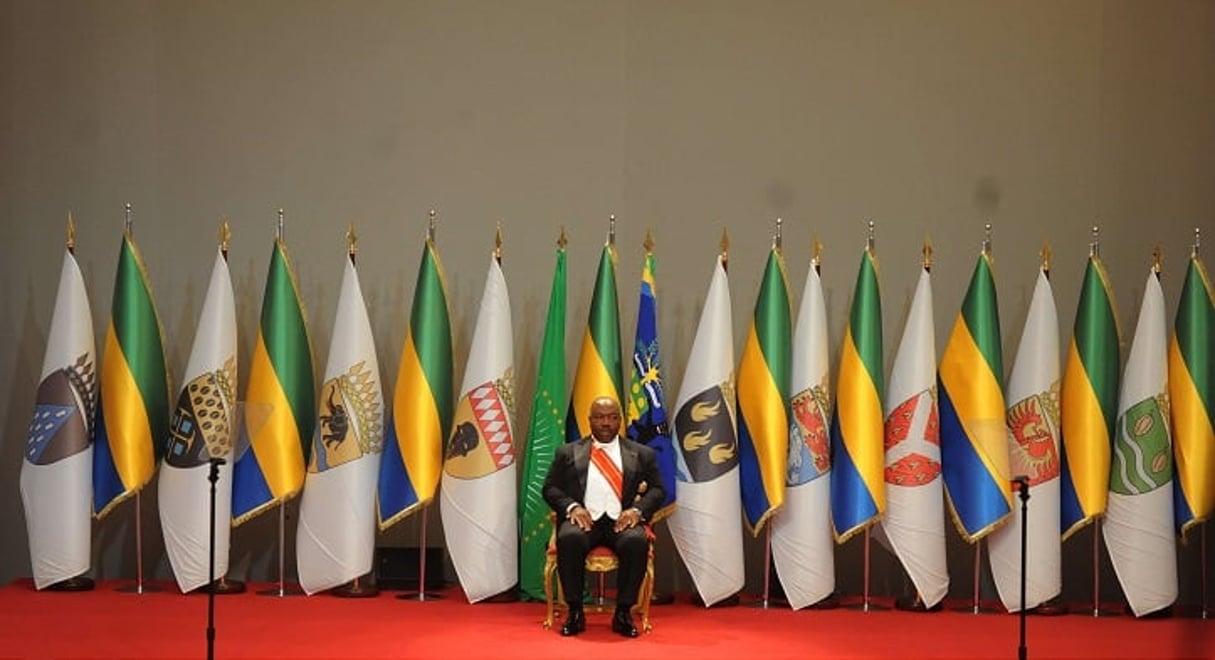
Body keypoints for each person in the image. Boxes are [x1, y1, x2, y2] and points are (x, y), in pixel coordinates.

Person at [543, 396, 664, 638]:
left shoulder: (642, 454)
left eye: (612, 417)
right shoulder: (567, 452)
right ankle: (575, 612)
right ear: (590, 421)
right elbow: (550, 488)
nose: (606, 423)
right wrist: (572, 508)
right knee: (569, 538)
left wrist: (637, 512)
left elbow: (658, 489)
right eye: (599, 417)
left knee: (636, 541)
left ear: (620, 420)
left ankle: (623, 613)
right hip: (585, 521)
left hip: (621, 522)